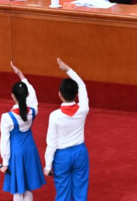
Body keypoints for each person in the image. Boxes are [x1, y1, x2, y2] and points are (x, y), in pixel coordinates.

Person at [44, 59, 90, 201]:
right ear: (76, 94)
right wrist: (68, 69)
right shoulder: (83, 109)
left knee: (62, 195)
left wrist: (48, 165)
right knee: (80, 192)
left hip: (62, 156)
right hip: (80, 153)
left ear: (60, 94)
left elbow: (51, 142)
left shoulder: (55, 116)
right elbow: (82, 85)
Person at [0, 62, 46, 201]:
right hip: (30, 150)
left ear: (12, 96)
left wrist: (5, 162)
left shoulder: (7, 118)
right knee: (27, 187)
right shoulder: (32, 111)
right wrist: (21, 76)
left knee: (17, 189)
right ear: (26, 95)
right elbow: (33, 96)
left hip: (16, 153)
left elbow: (4, 141)